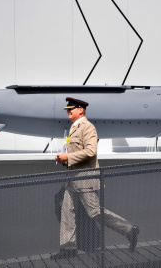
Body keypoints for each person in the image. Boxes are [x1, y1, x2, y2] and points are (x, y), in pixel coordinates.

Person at [52, 97, 139, 259]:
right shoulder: (74, 128)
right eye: (67, 109)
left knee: (94, 212)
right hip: (71, 179)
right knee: (67, 213)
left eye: (71, 108)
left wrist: (68, 157)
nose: (68, 111)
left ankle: (129, 229)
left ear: (81, 110)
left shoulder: (88, 128)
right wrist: (64, 158)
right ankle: (68, 249)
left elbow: (90, 152)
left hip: (85, 179)